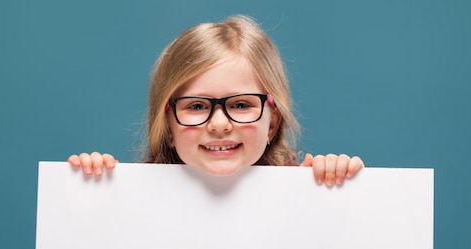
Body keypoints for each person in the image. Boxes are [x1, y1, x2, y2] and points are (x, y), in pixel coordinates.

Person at [69, 15, 363, 187]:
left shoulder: (298, 187)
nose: (219, 124)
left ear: (272, 124)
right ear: (168, 126)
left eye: (241, 105)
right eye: (196, 106)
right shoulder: (137, 191)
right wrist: (94, 182)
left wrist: (330, 181)